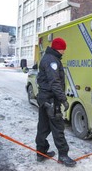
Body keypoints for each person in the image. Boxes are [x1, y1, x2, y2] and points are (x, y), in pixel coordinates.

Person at [35, 37, 76, 167]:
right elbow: (55, 82)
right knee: (58, 128)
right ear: (59, 48)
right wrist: (63, 99)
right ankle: (63, 155)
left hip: (44, 99)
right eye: (63, 49)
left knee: (43, 127)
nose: (64, 52)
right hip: (52, 101)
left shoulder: (47, 58)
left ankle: (41, 152)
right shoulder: (52, 61)